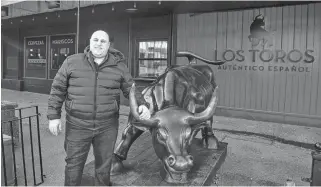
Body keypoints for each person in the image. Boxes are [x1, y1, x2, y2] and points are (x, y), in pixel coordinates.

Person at [47, 30, 150, 186]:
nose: (99, 43)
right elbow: (57, 89)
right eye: (96, 40)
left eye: (103, 41)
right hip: (77, 125)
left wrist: (142, 104)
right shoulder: (72, 62)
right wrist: (54, 117)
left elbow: (131, 88)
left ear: (108, 45)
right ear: (90, 42)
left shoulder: (119, 66)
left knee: (104, 167)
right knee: (73, 166)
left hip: (107, 126)